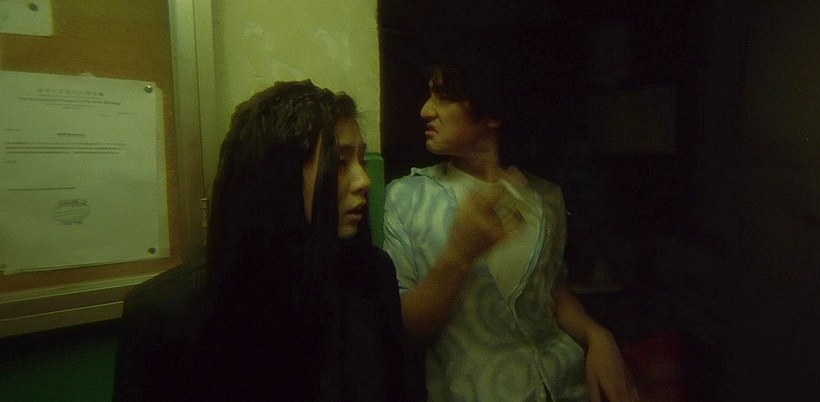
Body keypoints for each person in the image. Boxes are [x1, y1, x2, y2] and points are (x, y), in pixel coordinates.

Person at [383, 32, 639, 402]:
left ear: (492, 114)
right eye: (429, 95)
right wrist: (459, 254)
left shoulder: (546, 196)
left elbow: (551, 289)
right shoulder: (407, 197)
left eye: (444, 97)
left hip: (566, 385)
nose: (425, 110)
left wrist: (597, 335)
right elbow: (406, 330)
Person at [113, 80, 407, 401]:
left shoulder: (371, 277)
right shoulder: (167, 312)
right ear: (279, 175)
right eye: (339, 163)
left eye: (362, 161)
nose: (364, 180)